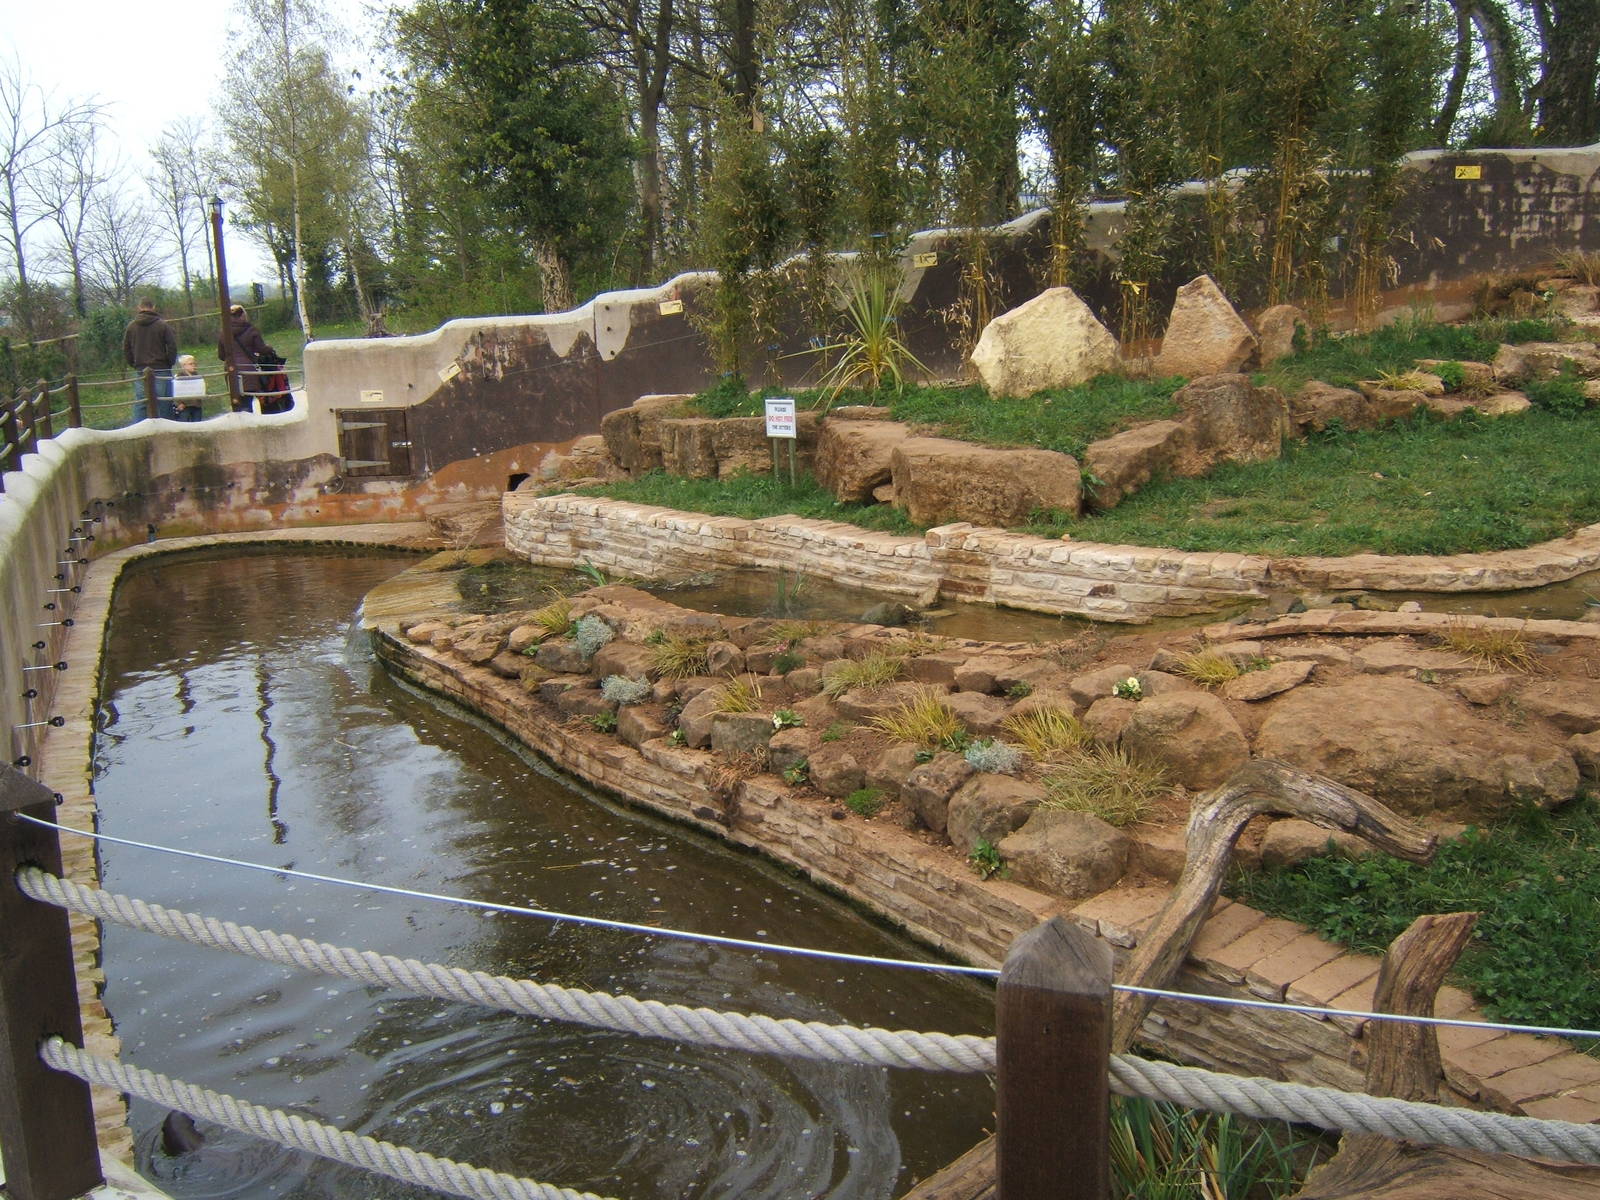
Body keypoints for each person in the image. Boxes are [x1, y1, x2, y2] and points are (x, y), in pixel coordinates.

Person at [123, 298, 177, 420]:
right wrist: (169, 362)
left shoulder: (131, 326)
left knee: (141, 402)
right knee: (164, 402)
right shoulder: (162, 325)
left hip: (141, 369)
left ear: (139, 308)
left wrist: (134, 363)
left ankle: (139, 432)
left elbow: (126, 348)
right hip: (161, 368)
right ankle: (166, 431)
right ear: (154, 307)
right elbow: (172, 346)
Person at [218, 304, 271, 412]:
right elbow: (261, 349)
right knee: (248, 402)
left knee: (237, 403)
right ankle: (250, 427)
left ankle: (240, 427)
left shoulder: (224, 333)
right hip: (248, 370)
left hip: (231, 371)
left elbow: (221, 355)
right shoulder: (251, 330)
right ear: (243, 315)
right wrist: (270, 348)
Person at [171, 354, 205, 422]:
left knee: (197, 422)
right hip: (184, 405)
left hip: (196, 404)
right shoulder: (179, 376)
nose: (193, 365)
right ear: (183, 365)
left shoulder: (197, 375)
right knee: (184, 422)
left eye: (194, 363)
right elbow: (175, 390)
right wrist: (178, 403)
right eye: (190, 364)